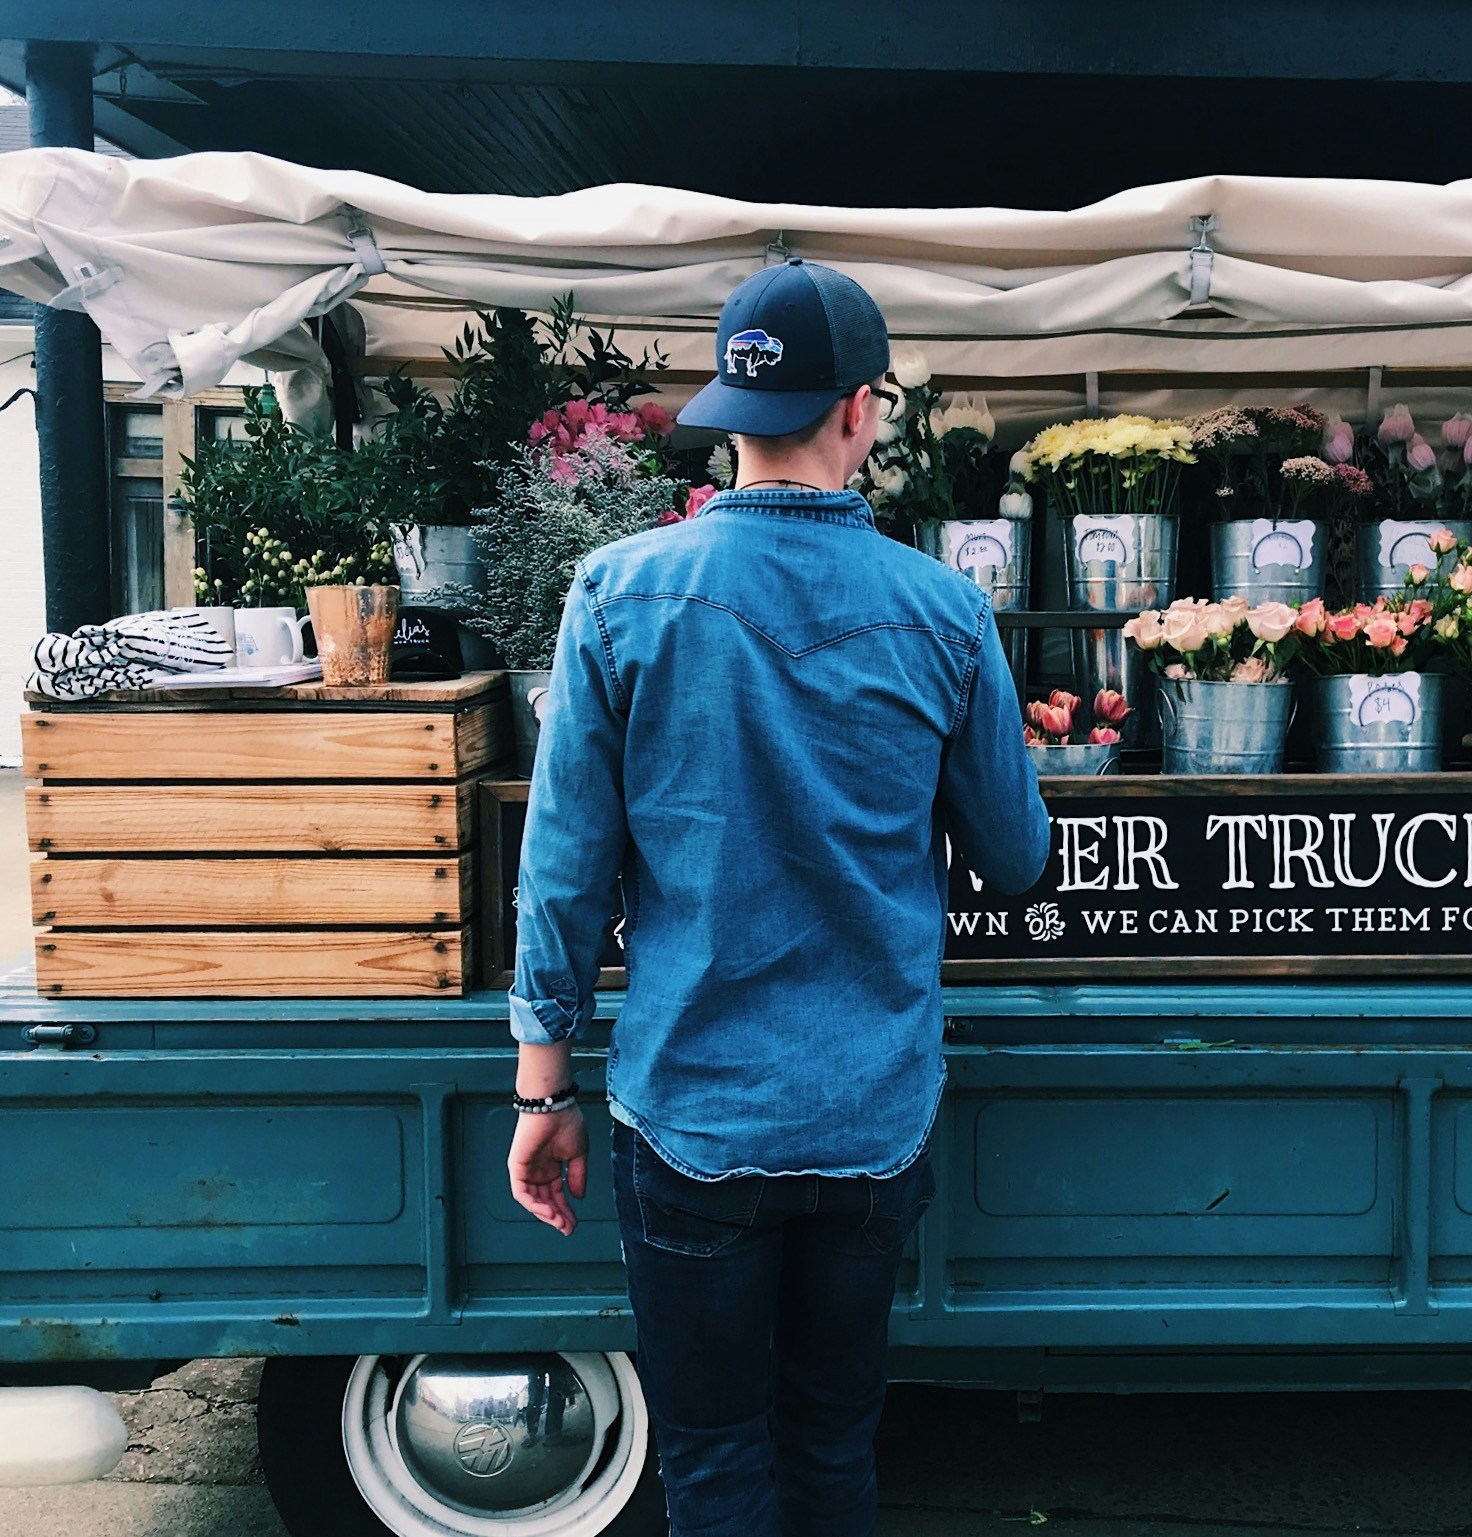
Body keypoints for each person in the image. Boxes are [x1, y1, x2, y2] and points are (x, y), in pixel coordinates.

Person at [503, 258, 1050, 1535]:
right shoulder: (947, 613)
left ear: (729, 415)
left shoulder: (620, 593)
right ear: (862, 409)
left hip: (691, 1108)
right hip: (872, 1115)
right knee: (830, 1445)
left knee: (711, 1459)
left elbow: (566, 865)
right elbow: (1016, 859)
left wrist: (544, 1088)